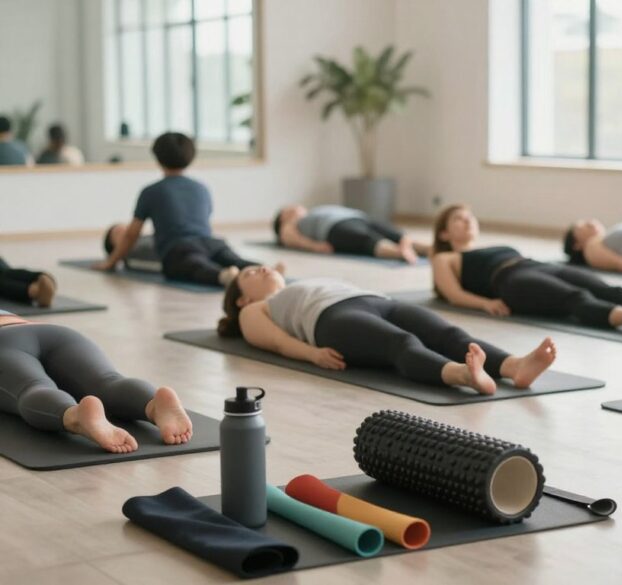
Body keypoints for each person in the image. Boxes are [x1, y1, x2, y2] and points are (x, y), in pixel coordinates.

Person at [217, 266, 558, 395]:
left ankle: (514, 367)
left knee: (447, 334)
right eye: (248, 273)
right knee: (401, 343)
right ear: (242, 297)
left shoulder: (298, 282)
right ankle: (463, 376)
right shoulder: (252, 310)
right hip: (330, 320)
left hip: (378, 301)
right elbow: (277, 342)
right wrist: (311, 354)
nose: (260, 268)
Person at [431, 205, 622, 334]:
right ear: (444, 233)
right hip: (510, 280)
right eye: (458, 219)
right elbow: (453, 294)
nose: (467, 221)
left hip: (536, 266)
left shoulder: (492, 245)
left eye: (469, 217)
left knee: (606, 288)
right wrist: (487, 303)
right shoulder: (445, 259)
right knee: (574, 298)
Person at [93, 132, 274, 287]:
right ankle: (267, 272)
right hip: (211, 241)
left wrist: (110, 262)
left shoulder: (151, 191)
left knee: (194, 266)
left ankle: (222, 276)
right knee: (234, 259)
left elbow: (132, 234)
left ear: (157, 158)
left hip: (178, 248)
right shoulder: (201, 188)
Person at [0, 310, 193, 453]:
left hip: (4, 342)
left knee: (32, 387)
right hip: (52, 332)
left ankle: (76, 417)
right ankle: (153, 404)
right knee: (107, 381)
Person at [273, 205, 430, 264]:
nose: (294, 207)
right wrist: (315, 246)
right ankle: (399, 252)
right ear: (283, 218)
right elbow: (289, 237)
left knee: (397, 234)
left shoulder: (313, 210)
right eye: (288, 210)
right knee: (367, 239)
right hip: (333, 228)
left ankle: (428, 248)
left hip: (358, 217)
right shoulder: (291, 224)